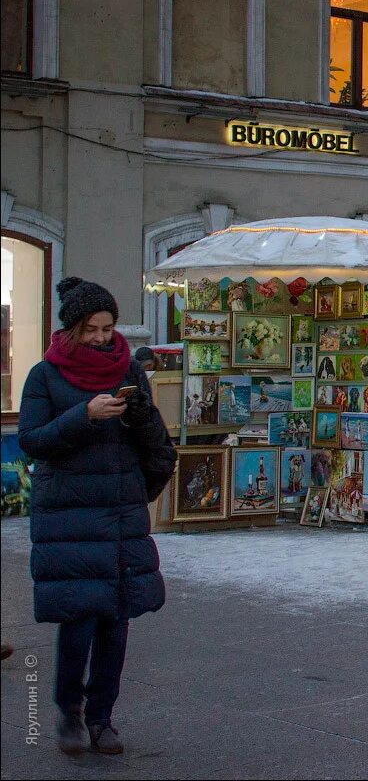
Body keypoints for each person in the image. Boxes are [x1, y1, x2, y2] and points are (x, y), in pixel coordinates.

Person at [19, 278, 176, 756]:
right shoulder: (44, 376)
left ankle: (102, 718)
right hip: (70, 513)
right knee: (80, 618)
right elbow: (33, 440)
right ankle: (70, 712)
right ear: (71, 330)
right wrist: (84, 415)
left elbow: (153, 444)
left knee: (117, 619)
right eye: (92, 329)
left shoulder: (128, 368)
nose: (102, 338)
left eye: (108, 328)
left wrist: (142, 415)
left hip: (119, 508)